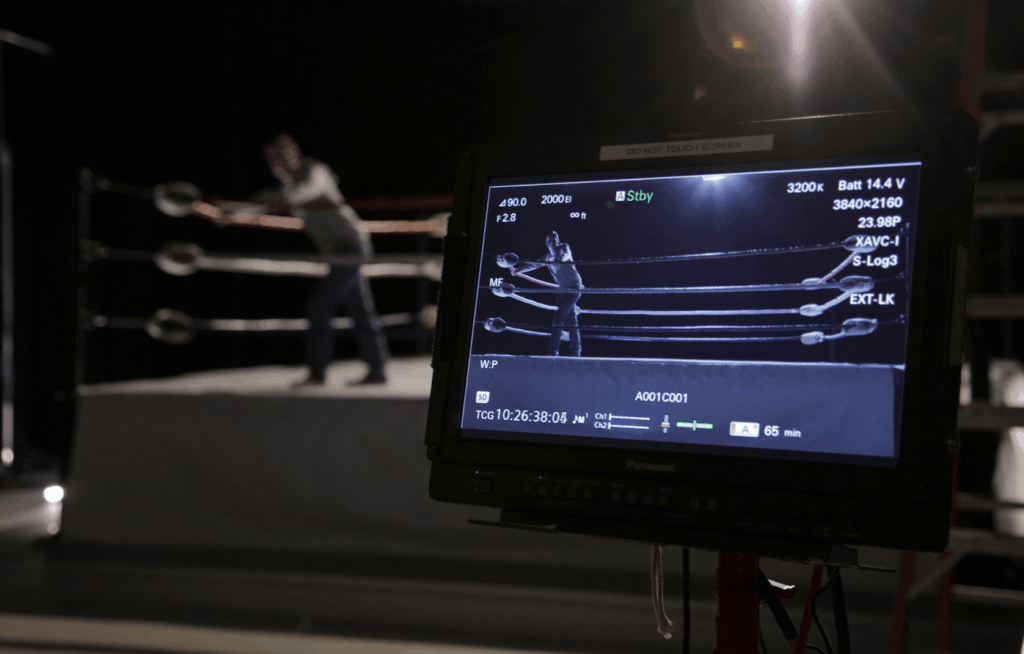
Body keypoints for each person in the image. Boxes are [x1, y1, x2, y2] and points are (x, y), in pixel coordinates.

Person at [232, 135, 389, 385]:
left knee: (321, 304)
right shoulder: (286, 187)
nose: (279, 162)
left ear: (294, 153)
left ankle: (318, 371)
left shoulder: (314, 170)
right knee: (360, 310)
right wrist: (231, 212)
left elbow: (302, 191)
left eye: (282, 155)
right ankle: (377, 369)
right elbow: (263, 202)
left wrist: (274, 199)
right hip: (338, 252)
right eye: (273, 158)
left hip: (352, 247)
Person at [512, 231, 584, 356]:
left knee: (559, 317)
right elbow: (534, 264)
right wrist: (518, 270)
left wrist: (559, 260)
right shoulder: (547, 257)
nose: (552, 242)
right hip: (564, 290)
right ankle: (575, 351)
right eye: (550, 240)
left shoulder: (564, 247)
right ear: (547, 243)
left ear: (558, 240)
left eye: (554, 239)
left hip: (574, 288)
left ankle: (553, 352)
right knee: (572, 321)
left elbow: (567, 254)